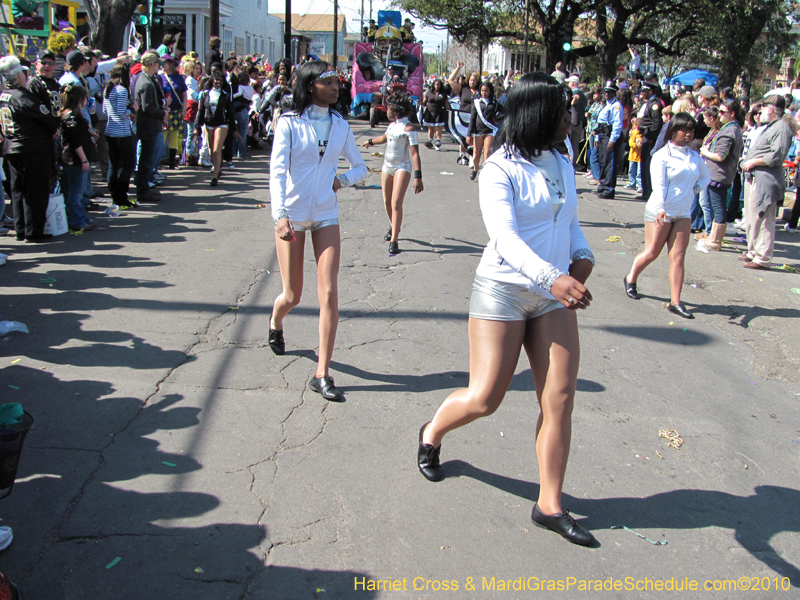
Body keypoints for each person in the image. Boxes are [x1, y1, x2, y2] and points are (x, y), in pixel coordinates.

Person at [417, 73, 597, 547]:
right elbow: (506, 240)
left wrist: (582, 261)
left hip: (552, 296)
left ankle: (549, 504)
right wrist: (554, 277)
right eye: (561, 110)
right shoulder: (500, 168)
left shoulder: (560, 161)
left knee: (558, 398)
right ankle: (433, 430)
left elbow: (570, 221)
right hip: (503, 291)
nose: (569, 119)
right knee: (485, 398)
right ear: (538, 113)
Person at [268, 61, 367, 402]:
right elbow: (277, 172)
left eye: (337, 80)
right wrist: (279, 215)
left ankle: (322, 373)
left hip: (326, 214)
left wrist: (341, 180)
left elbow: (361, 166)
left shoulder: (340, 124)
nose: (336, 85)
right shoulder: (289, 123)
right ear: (310, 85)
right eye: (327, 80)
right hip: (292, 216)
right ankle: (276, 322)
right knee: (292, 295)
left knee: (328, 293)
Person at [624, 113, 710, 319]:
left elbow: (706, 177)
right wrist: (662, 207)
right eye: (684, 130)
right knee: (652, 252)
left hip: (682, 212)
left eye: (691, 130)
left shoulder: (694, 156)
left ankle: (675, 302)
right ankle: (631, 278)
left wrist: (693, 190)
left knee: (678, 257)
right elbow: (659, 186)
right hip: (660, 210)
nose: (689, 134)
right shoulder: (662, 155)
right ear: (673, 131)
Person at [0, 55, 60, 242]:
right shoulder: (22, 96)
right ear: (18, 75)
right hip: (30, 148)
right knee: (35, 191)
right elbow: (44, 116)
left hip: (11, 146)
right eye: (22, 72)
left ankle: (22, 229)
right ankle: (34, 231)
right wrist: (54, 128)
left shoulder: (3, 93)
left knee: (17, 190)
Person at [362, 91, 423, 254]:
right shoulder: (391, 126)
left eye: (388, 108)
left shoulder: (408, 127)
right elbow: (383, 138)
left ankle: (394, 240)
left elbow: (415, 153)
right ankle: (394, 225)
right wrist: (370, 142)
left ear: (396, 109)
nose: (386, 111)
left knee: (396, 202)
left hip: (402, 167)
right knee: (387, 202)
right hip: (387, 167)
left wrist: (418, 176)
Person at [739, 95, 794, 269]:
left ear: (770, 109)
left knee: (764, 219)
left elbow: (777, 156)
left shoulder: (782, 128)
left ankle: (763, 258)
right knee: (752, 217)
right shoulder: (771, 127)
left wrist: (754, 162)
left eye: (763, 107)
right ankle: (754, 251)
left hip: (766, 180)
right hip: (755, 178)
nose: (760, 111)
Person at [697, 101, 743, 250]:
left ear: (732, 114)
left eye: (723, 112)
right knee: (717, 205)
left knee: (718, 207)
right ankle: (713, 237)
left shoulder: (729, 131)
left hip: (719, 174)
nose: (720, 115)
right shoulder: (733, 128)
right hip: (721, 173)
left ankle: (716, 240)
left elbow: (720, 156)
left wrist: (706, 152)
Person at [193, 70, 239, 186]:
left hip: (222, 123)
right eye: (216, 80)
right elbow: (201, 111)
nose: (218, 82)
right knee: (210, 150)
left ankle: (215, 176)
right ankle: (217, 168)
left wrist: (234, 128)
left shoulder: (225, 95)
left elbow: (230, 112)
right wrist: (196, 127)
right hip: (209, 123)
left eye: (220, 80)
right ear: (212, 81)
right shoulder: (205, 94)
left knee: (216, 149)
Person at [133, 52, 168, 203]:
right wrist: (162, 113)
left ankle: (144, 188)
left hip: (148, 125)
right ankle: (142, 190)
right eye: (157, 64)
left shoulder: (144, 79)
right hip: (148, 126)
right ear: (152, 64)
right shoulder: (146, 83)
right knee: (146, 160)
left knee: (147, 160)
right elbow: (147, 107)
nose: (158, 67)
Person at [60, 84, 95, 232]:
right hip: (74, 159)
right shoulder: (70, 116)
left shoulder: (74, 115)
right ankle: (76, 220)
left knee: (76, 190)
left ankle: (80, 217)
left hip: (76, 158)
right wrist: (83, 159)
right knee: (76, 191)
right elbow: (74, 140)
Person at [103, 63, 137, 208]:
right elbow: (120, 112)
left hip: (110, 130)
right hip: (122, 132)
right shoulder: (121, 90)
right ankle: (121, 196)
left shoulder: (108, 89)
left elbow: (106, 111)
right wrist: (132, 109)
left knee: (114, 165)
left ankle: (114, 194)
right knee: (129, 164)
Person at [447, 63, 480, 166]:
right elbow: (450, 81)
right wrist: (458, 68)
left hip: (475, 117)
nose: (472, 82)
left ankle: (472, 158)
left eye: (474, 80)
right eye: (471, 80)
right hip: (463, 116)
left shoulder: (480, 91)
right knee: (463, 137)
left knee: (474, 137)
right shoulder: (463, 89)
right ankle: (462, 155)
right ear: (468, 80)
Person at [595, 81, 623, 199]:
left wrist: (612, 140)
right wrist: (597, 137)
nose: (606, 94)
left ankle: (609, 188)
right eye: (605, 91)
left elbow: (617, 124)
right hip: (602, 134)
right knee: (602, 161)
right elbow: (599, 123)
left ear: (614, 93)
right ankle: (603, 184)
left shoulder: (616, 105)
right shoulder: (605, 105)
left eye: (609, 92)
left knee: (609, 162)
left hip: (609, 135)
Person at [466, 81, 498, 181]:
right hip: (478, 131)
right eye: (482, 90)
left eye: (486, 91)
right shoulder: (477, 102)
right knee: (476, 154)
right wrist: (469, 134)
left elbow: (506, 112)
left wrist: (497, 118)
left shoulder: (494, 103)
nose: (484, 92)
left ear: (490, 91)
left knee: (487, 152)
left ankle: (484, 171)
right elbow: (472, 118)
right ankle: (475, 169)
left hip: (489, 131)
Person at [638, 81, 663, 201]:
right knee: (644, 165)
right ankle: (645, 191)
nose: (642, 93)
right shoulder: (649, 103)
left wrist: (650, 136)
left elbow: (656, 123)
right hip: (646, 137)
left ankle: (648, 192)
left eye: (645, 90)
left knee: (647, 165)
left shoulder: (655, 104)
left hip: (649, 139)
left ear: (651, 91)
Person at [421, 79, 446, 150]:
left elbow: (447, 104)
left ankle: (438, 142)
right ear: (433, 85)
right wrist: (420, 103)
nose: (437, 86)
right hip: (430, 112)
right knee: (431, 128)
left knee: (438, 128)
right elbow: (424, 102)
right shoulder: (429, 93)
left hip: (440, 113)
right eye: (435, 84)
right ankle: (430, 141)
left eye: (438, 84)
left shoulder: (443, 94)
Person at [625, 116, 643, 192]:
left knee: (639, 172)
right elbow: (630, 142)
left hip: (640, 156)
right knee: (631, 170)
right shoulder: (634, 132)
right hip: (633, 155)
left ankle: (640, 185)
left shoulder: (642, 134)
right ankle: (632, 183)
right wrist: (636, 145)